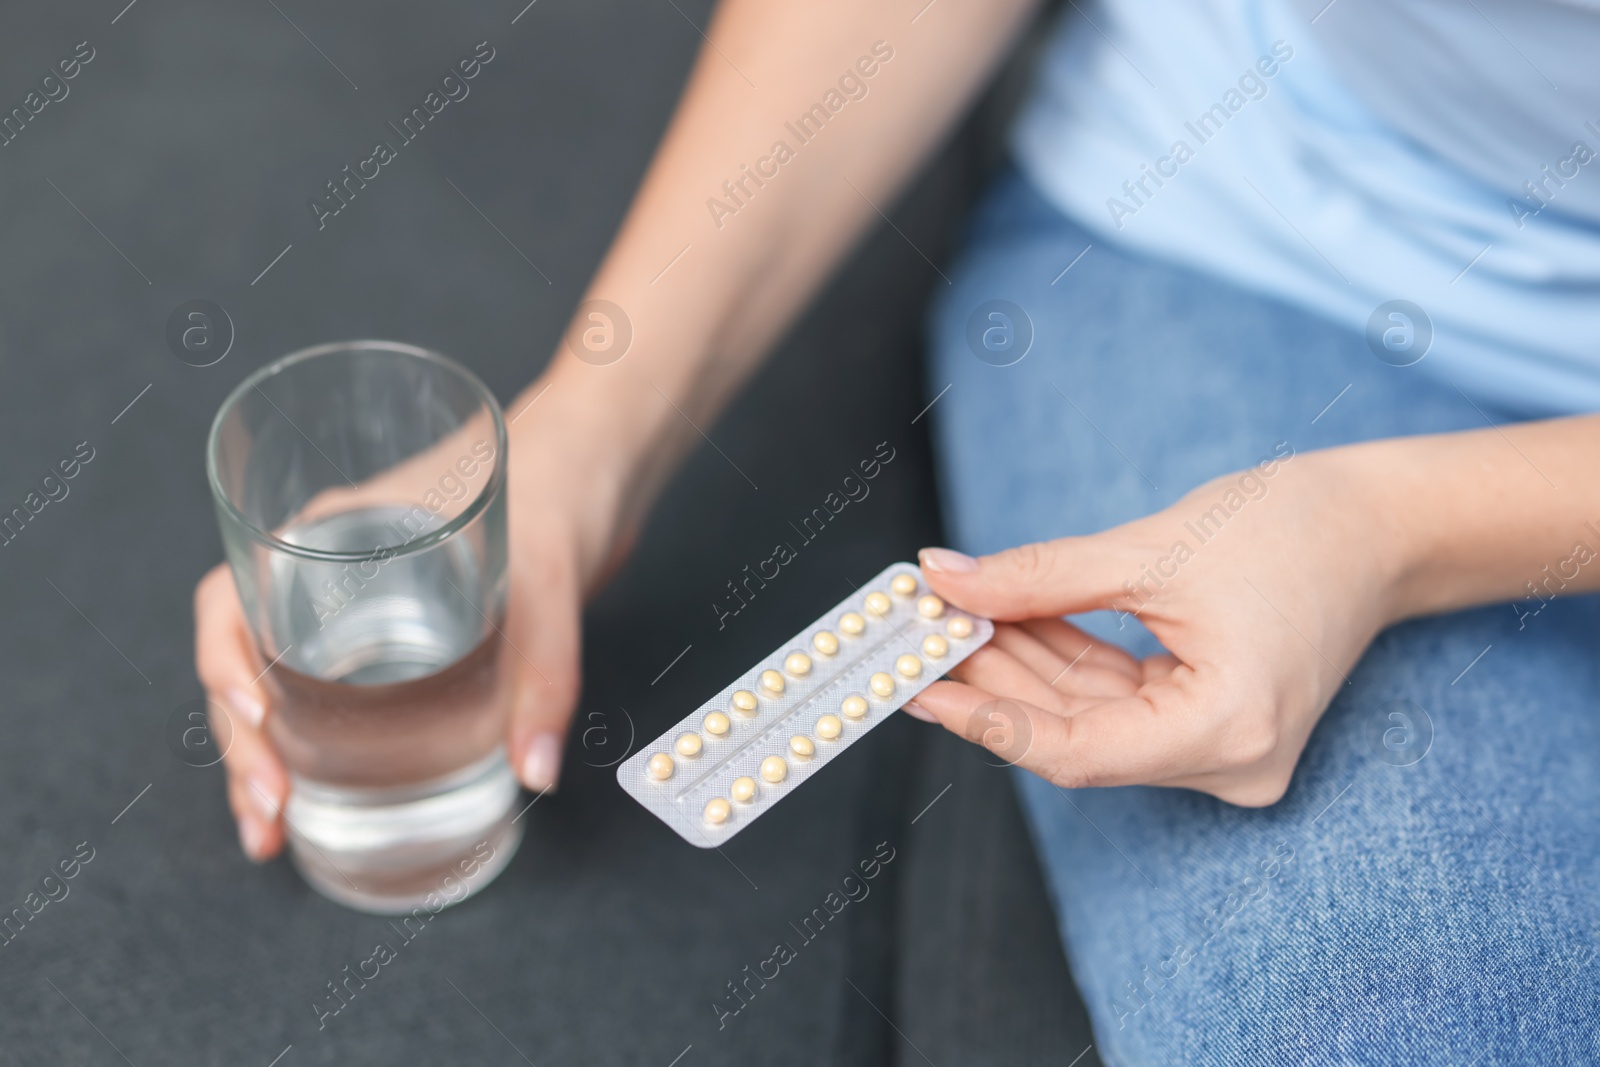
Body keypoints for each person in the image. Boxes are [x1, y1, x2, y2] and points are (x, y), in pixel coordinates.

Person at [195, 0, 1600, 1061]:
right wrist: (591, 430)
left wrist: (1390, 523)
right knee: (1383, 1010)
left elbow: (1380, 525)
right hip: (1248, 227)